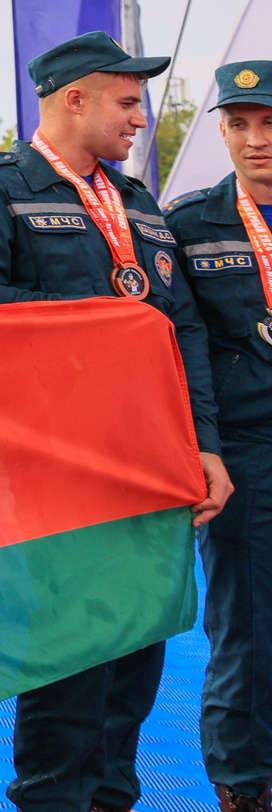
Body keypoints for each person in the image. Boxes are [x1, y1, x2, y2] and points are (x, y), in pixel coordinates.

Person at [0, 30, 231, 812]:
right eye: (128, 101)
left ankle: (111, 802)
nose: (141, 118)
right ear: (75, 98)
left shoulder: (138, 204)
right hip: (55, 467)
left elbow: (187, 334)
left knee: (138, 661)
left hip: (150, 459)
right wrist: (97, 319)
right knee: (71, 663)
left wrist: (205, 445)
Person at [166, 59, 272, 812]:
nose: (255, 140)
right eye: (239, 124)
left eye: (269, 123)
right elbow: (180, 345)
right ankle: (243, 782)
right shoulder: (189, 223)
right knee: (243, 623)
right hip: (245, 447)